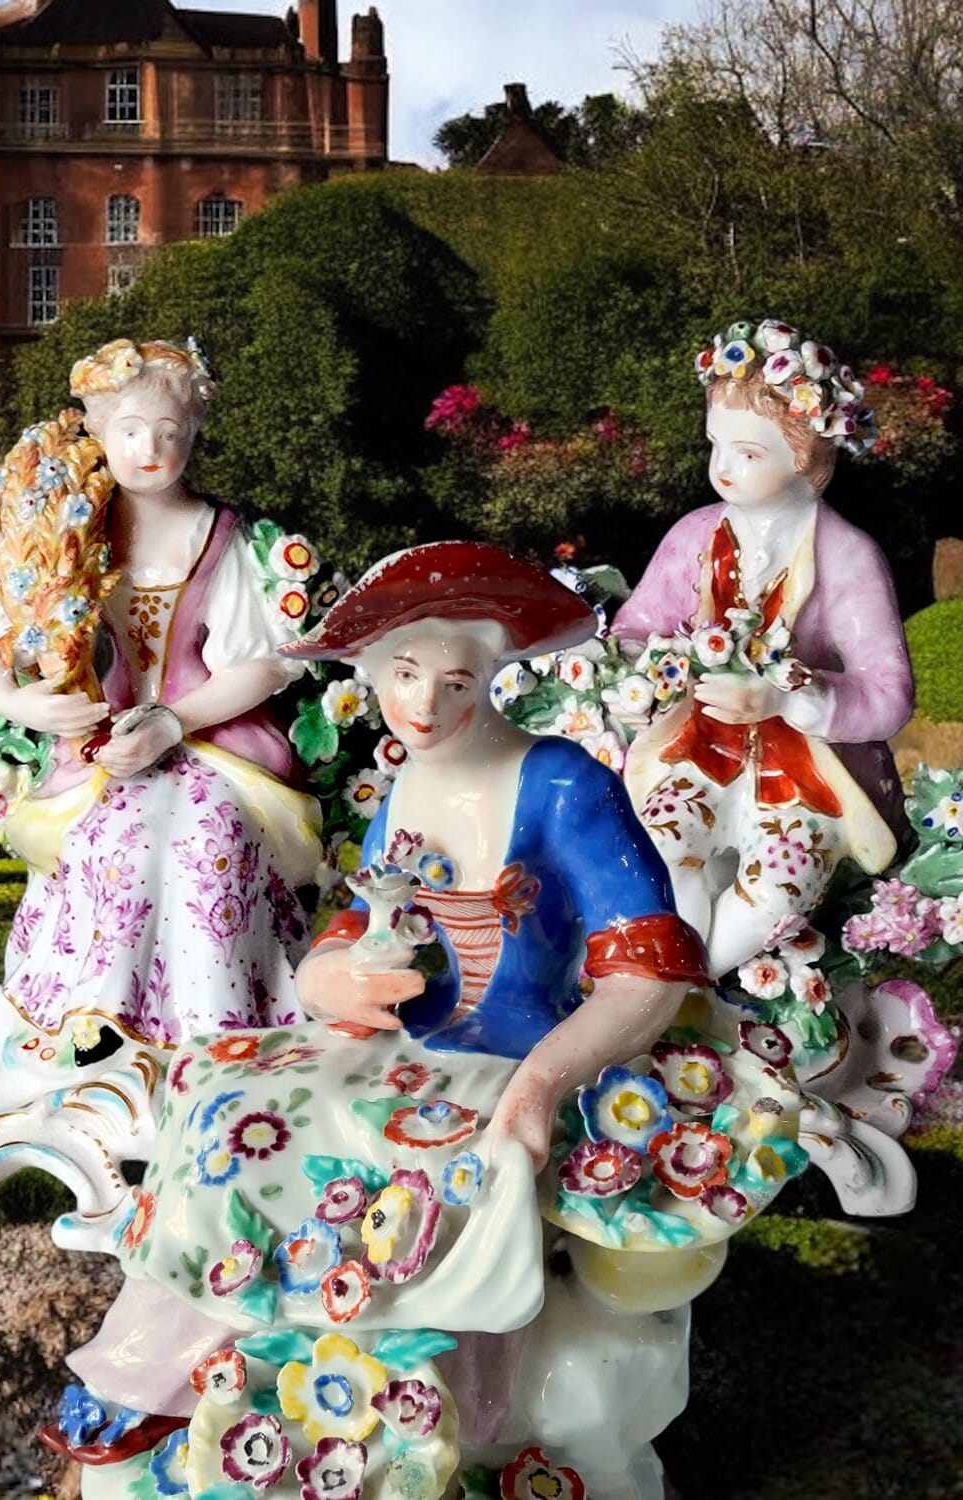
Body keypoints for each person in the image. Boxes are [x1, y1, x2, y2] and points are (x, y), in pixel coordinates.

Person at [57, 543, 711, 1465]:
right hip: (393, 1048)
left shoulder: (563, 782)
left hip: (511, 1060)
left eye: (456, 681)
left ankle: (436, 1414)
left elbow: (649, 971)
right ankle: (176, 1369)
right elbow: (355, 922)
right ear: (371, 672)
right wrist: (329, 977)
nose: (423, 705)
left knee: (399, 1148)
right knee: (216, 1094)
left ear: (494, 676)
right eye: (403, 674)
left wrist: (542, 1086)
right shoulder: (403, 780)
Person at [0, 338, 322, 1047]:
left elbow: (261, 666)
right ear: (97, 430)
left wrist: (171, 720)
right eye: (128, 430)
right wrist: (19, 702)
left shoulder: (222, 538)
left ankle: (222, 1027)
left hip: (212, 739)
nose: (148, 449)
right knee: (115, 841)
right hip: (97, 746)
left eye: (169, 433)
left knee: (205, 835)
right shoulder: (66, 529)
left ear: (193, 436)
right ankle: (93, 1024)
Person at [615, 319, 913, 977]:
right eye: (715, 444)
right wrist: (642, 684)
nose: (721, 467)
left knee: (771, 901)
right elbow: (635, 630)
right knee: (661, 853)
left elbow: (889, 691)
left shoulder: (848, 556)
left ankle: (691, 994)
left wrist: (788, 696)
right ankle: (663, 994)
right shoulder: (696, 535)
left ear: (805, 456)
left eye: (748, 453)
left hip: (806, 776)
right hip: (693, 750)